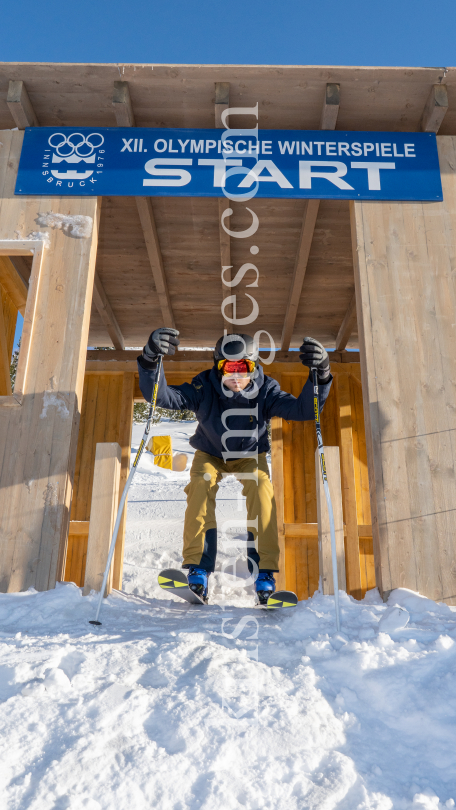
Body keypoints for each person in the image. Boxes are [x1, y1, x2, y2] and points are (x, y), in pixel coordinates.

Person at [137, 330, 332, 604]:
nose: (237, 376)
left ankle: (264, 574)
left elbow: (303, 409)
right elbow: (163, 397)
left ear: (254, 366)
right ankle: (199, 570)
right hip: (211, 452)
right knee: (200, 485)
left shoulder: (266, 389)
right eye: (229, 368)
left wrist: (321, 374)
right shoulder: (204, 386)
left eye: (244, 367)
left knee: (262, 488)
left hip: (249, 455)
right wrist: (149, 361)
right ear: (219, 368)